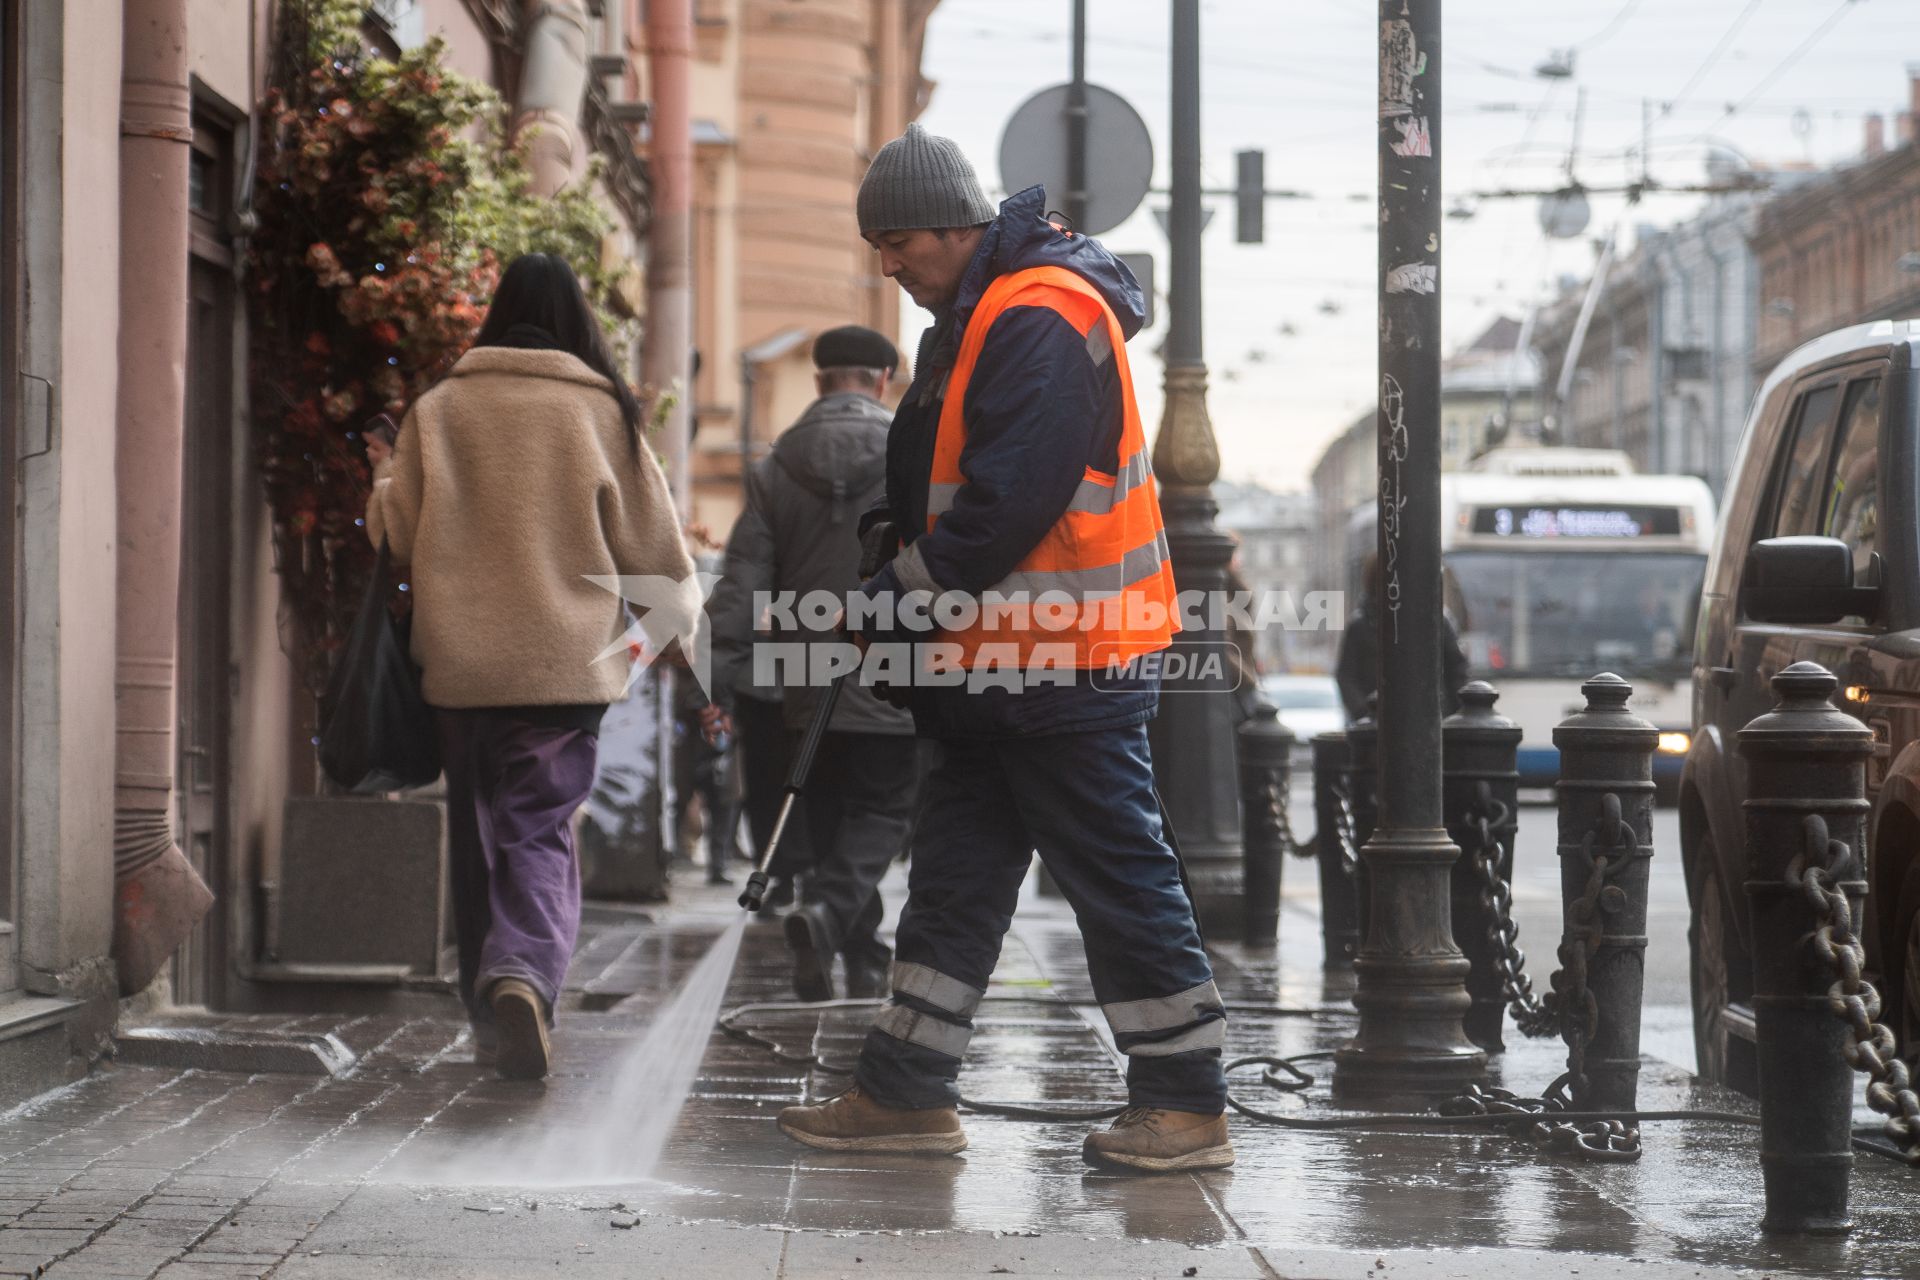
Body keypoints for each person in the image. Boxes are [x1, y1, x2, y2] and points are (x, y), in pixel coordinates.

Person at [775, 124, 1232, 1174]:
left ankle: (1185, 1103)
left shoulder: (1034, 313)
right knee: (952, 879)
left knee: (1117, 877)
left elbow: (1008, 505)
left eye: (897, 242)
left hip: (1063, 655)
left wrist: (893, 595)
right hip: (997, 659)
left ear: (950, 223)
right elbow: (950, 483)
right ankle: (903, 1091)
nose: (888, 265)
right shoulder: (978, 311)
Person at [365, 253, 694, 1081]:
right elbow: (659, 559)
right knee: (539, 830)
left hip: (460, 668)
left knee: (477, 843)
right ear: (577, 318)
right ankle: (523, 975)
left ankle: (491, 1015)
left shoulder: (439, 409)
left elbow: (393, 538)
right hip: (565, 671)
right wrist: (663, 658)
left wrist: (379, 478)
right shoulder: (603, 415)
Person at [705, 325, 916, 1000]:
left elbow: (741, 582)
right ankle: (828, 917)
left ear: (820, 381)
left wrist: (717, 679)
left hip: (803, 675)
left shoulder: (775, 465)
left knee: (826, 813)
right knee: (884, 807)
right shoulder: (909, 454)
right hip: (894, 668)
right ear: (884, 380)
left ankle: (855, 953)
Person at [1334, 552, 1470, 724]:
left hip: (1431, 721)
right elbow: (1346, 676)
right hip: (1376, 726)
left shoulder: (1438, 621)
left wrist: (1454, 713)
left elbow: (1457, 669)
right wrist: (1365, 712)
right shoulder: (1360, 626)